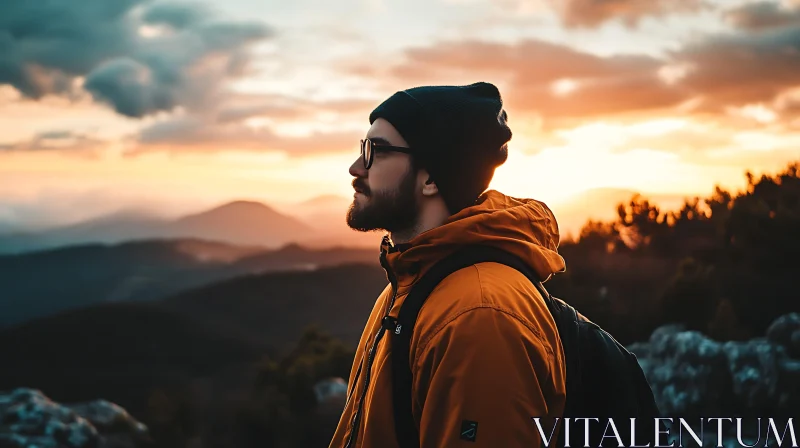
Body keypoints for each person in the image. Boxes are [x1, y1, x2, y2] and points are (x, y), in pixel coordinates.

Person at [329, 82, 567, 448]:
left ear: (430, 178)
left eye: (376, 150)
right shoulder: (407, 284)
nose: (356, 167)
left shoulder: (480, 315)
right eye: (363, 148)